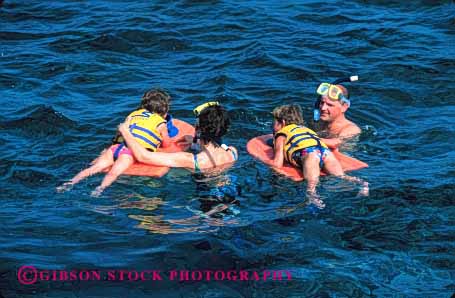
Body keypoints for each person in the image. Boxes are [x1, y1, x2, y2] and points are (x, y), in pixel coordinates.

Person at [118, 102, 239, 216]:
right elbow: (214, 145)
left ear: (198, 128)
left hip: (210, 209)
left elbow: (143, 156)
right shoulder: (232, 152)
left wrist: (125, 131)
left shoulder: (192, 160)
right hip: (232, 200)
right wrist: (194, 140)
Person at [56, 88, 173, 196]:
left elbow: (119, 133)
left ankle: (69, 183)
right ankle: (99, 189)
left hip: (116, 148)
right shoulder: (161, 123)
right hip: (129, 153)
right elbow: (167, 144)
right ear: (165, 111)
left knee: (93, 169)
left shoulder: (133, 115)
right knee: (113, 173)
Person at [267, 104, 368, 203]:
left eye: (274, 123)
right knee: (341, 176)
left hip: (309, 154)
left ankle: (314, 199)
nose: (273, 126)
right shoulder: (307, 130)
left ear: (283, 123)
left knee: (311, 184)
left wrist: (267, 164)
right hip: (325, 152)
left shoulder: (281, 135)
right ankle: (362, 184)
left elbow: (277, 163)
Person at [314, 81, 361, 149]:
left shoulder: (351, 129)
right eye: (322, 102)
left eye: (330, 105)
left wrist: (308, 138)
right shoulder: (319, 123)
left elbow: (336, 143)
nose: (323, 108)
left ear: (344, 107)